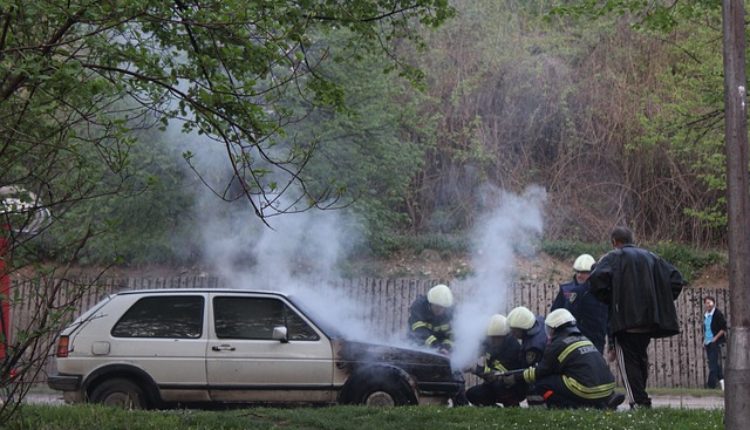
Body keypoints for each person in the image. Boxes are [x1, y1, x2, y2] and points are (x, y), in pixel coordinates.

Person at [588, 226, 685, 409]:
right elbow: (676, 280)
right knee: (640, 359)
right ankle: (642, 398)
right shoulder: (652, 257)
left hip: (625, 321)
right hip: (649, 321)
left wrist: (611, 298)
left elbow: (595, 279)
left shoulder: (614, 256)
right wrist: (660, 299)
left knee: (627, 362)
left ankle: (638, 401)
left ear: (614, 242)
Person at [502, 309, 625, 409]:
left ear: (555, 328)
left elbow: (541, 371)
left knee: (542, 383)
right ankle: (601, 403)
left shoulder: (557, 344)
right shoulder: (583, 338)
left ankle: (576, 406)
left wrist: (516, 377)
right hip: (608, 387)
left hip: (586, 389)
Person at [550, 254, 609, 353]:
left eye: (584, 272)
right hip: (570, 338)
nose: (579, 275)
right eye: (577, 271)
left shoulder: (600, 291)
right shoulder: (566, 290)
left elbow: (605, 316)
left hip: (595, 339)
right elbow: (555, 312)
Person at [466, 314, 526, 407]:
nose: (494, 341)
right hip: (493, 384)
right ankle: (494, 409)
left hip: (513, 386)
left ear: (506, 336)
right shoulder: (488, 341)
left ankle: (512, 406)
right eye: (491, 337)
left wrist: (476, 369)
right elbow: (476, 350)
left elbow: (497, 374)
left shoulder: (513, 348)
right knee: (472, 394)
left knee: (499, 384)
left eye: (498, 338)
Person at [408, 284, 454, 353]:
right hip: (416, 345)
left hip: (441, 349)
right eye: (437, 306)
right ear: (430, 303)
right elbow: (419, 331)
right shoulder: (419, 307)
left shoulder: (451, 314)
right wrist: (436, 346)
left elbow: (452, 335)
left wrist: (446, 347)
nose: (439, 310)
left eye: (442, 307)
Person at [703, 296, 728, 390]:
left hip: (715, 342)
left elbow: (723, 328)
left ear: (713, 303)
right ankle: (722, 381)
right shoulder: (705, 315)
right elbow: (706, 329)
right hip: (707, 342)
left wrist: (715, 338)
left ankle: (710, 385)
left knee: (712, 365)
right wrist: (704, 340)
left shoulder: (717, 314)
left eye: (710, 302)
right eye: (706, 303)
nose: (708, 304)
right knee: (714, 364)